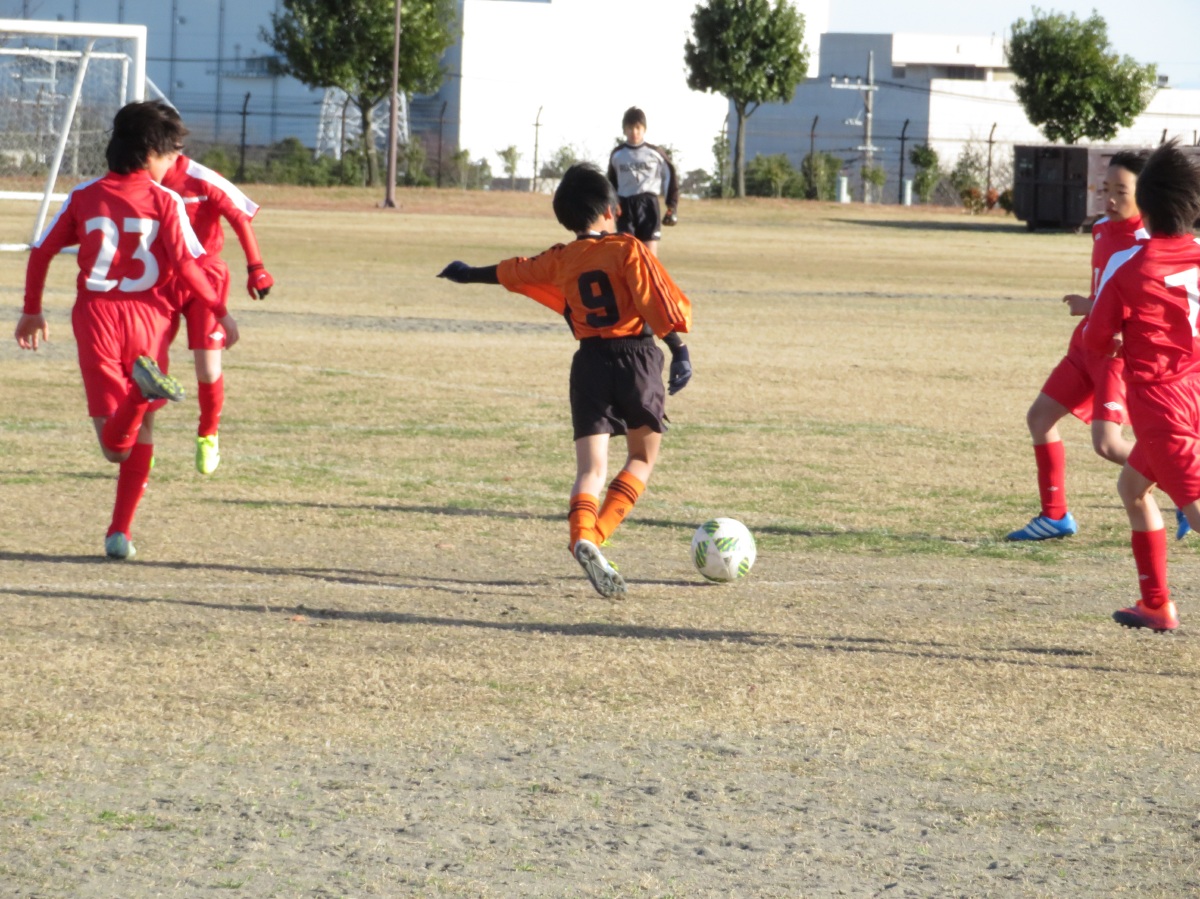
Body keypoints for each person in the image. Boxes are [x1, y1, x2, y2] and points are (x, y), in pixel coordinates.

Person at [437, 162, 693, 597]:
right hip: (636, 359)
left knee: (590, 469)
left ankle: (580, 537)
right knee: (641, 458)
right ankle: (597, 536)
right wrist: (679, 350)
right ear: (611, 209)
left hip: (589, 363)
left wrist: (467, 272)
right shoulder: (628, 248)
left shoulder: (559, 259)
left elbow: (514, 270)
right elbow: (653, 300)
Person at [13, 100, 236, 560]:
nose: (175, 164)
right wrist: (219, 308)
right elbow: (189, 267)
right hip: (151, 320)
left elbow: (42, 251)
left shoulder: (85, 195)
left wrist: (32, 310)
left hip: (98, 319)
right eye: (171, 155)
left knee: (115, 447)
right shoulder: (166, 201)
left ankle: (137, 399)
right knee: (142, 428)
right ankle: (119, 532)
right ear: (151, 154)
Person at [1006, 152, 1177, 540]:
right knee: (1039, 418)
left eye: (1121, 190)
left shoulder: (1147, 242)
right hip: (1085, 345)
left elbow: (1147, 307)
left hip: (1115, 355)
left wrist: (1092, 306)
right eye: (1105, 189)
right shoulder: (1100, 228)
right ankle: (1055, 516)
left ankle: (1187, 492)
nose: (1110, 199)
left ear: (1145, 195)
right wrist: (1093, 308)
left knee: (1108, 444)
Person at [1084, 140, 1200, 632]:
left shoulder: (1131, 265)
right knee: (1132, 487)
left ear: (1144, 208)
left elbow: (1094, 338)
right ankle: (1155, 605)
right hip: (1195, 391)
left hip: (1161, 406)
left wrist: (1115, 343)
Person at [159, 144, 274, 475]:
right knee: (149, 364)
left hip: (206, 277)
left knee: (208, 370)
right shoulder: (143, 178)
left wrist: (256, 267)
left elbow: (239, 217)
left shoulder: (202, 178)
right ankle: (142, 440)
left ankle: (208, 434)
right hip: (161, 278)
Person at [607, 107, 679, 258]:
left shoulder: (655, 153)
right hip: (625, 205)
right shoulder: (617, 154)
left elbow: (670, 176)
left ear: (644, 129)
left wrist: (671, 205)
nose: (634, 132)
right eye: (630, 128)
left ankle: (649, 274)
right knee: (627, 254)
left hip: (648, 204)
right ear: (624, 130)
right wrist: (613, 203)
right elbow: (611, 182)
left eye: (638, 128)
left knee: (649, 255)